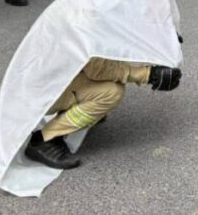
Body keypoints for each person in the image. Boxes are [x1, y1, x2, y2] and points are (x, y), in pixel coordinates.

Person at [23, 58, 181, 170]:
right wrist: (149, 74)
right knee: (110, 92)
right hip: (40, 92)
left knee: (109, 81)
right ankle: (43, 139)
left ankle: (76, 108)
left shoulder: (89, 12)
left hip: (48, 78)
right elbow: (98, 69)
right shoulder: (88, 17)